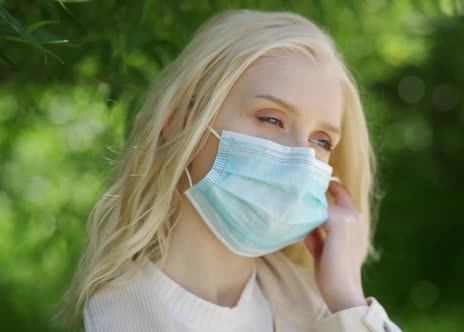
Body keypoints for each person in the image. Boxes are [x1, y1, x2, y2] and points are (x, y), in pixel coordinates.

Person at [54, 9, 402, 332]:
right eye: (271, 119)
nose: (300, 156)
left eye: (321, 141)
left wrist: (348, 300)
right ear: (179, 123)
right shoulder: (119, 318)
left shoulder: (326, 310)